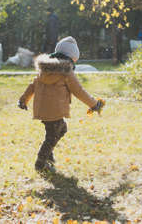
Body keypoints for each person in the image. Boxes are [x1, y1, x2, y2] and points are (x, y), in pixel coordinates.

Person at [18, 36, 105, 173]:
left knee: (58, 130)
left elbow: (32, 85)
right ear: (71, 57)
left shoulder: (44, 69)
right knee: (53, 136)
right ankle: (41, 163)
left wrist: (23, 100)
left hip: (42, 109)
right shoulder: (66, 72)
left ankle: (48, 156)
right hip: (55, 110)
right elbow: (79, 91)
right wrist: (94, 104)